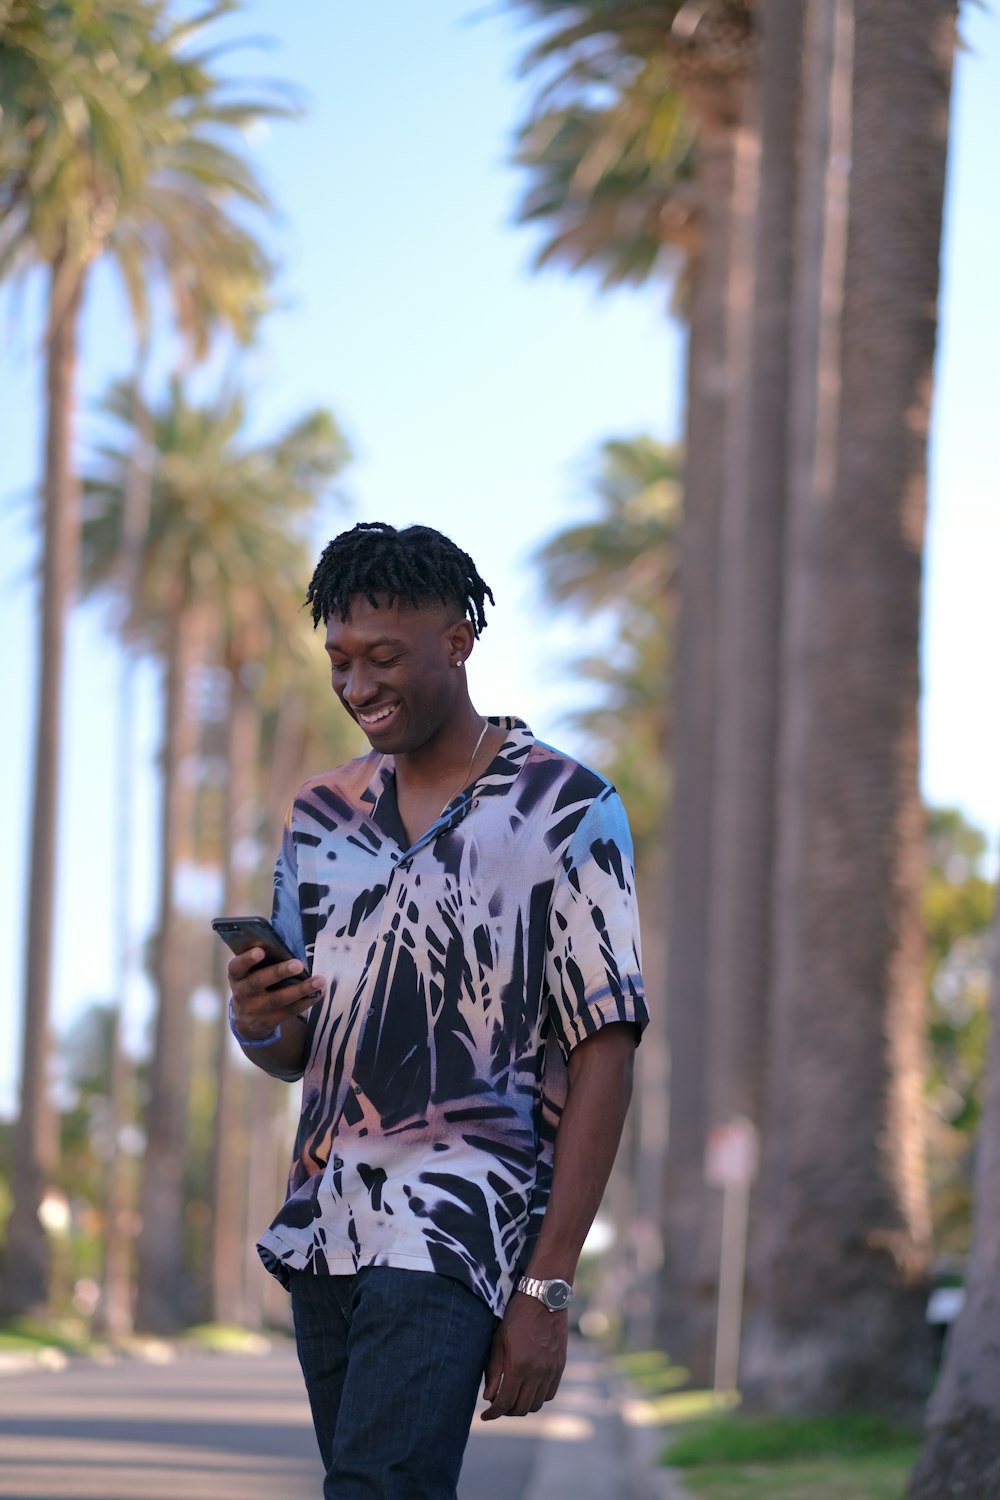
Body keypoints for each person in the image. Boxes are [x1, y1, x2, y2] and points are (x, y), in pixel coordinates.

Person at [227, 521, 647, 1500]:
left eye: (383, 657)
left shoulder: (567, 808)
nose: (356, 684)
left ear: (458, 640)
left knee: (376, 1488)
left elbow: (606, 1050)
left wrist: (545, 1286)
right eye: (339, 660)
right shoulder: (319, 814)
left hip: (459, 1220)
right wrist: (257, 1014)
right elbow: (292, 1052)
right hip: (323, 1225)